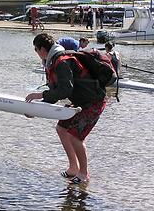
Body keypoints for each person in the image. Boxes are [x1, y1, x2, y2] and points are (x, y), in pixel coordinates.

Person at [25, 33, 107, 184]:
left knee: (75, 136)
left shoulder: (61, 62)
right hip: (81, 101)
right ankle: (73, 167)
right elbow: (55, 95)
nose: (36, 53)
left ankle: (83, 174)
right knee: (61, 129)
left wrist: (39, 94)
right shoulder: (51, 61)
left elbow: (64, 91)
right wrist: (35, 109)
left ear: (42, 49)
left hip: (93, 101)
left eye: (36, 50)